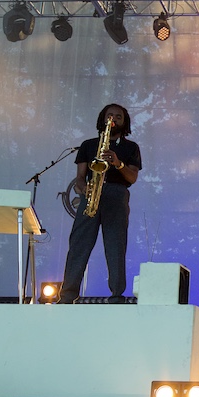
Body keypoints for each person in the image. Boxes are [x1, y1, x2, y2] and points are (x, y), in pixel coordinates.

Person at [58, 103, 142, 304]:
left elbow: (132, 177)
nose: (113, 119)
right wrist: (82, 188)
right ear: (103, 119)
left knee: (115, 245)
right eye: (110, 115)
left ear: (124, 122)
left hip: (117, 194)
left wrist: (118, 163)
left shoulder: (131, 147)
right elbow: (79, 177)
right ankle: (67, 295)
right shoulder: (88, 145)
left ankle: (116, 294)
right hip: (91, 191)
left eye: (118, 117)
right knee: (78, 244)